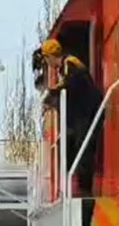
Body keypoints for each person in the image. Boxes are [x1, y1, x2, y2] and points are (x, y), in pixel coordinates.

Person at [40, 38, 103, 196]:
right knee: (69, 145)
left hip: (87, 114)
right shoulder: (66, 67)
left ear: (49, 57)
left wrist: (51, 92)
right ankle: (73, 185)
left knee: (83, 148)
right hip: (82, 115)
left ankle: (84, 189)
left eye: (46, 58)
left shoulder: (70, 63)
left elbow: (70, 84)